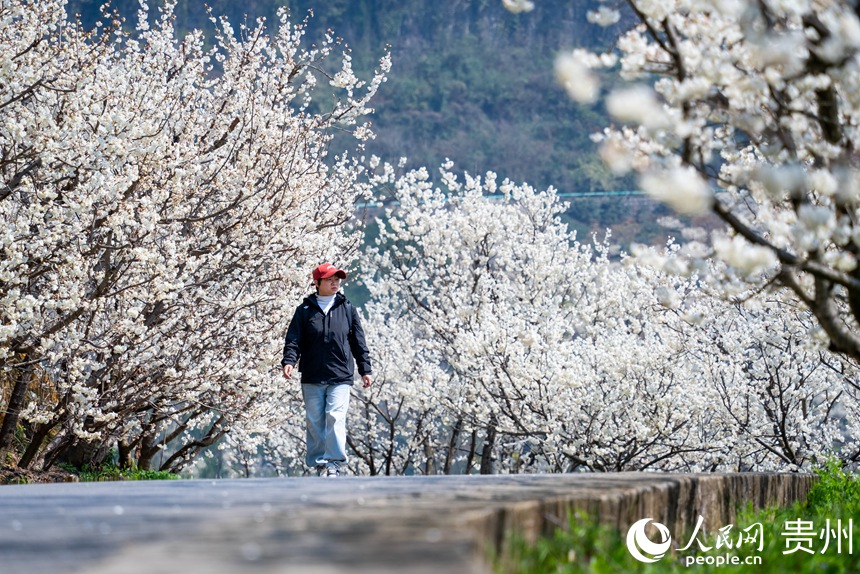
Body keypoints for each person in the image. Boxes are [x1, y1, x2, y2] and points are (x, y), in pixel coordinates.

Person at [281, 262, 373, 477]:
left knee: (335, 416)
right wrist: (289, 361)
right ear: (317, 282)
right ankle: (319, 463)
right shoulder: (304, 310)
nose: (335, 283)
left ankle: (334, 463)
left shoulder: (347, 308)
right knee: (315, 421)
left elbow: (358, 342)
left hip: (340, 374)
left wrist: (365, 369)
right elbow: (293, 340)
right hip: (312, 375)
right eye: (330, 279)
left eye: (337, 279)